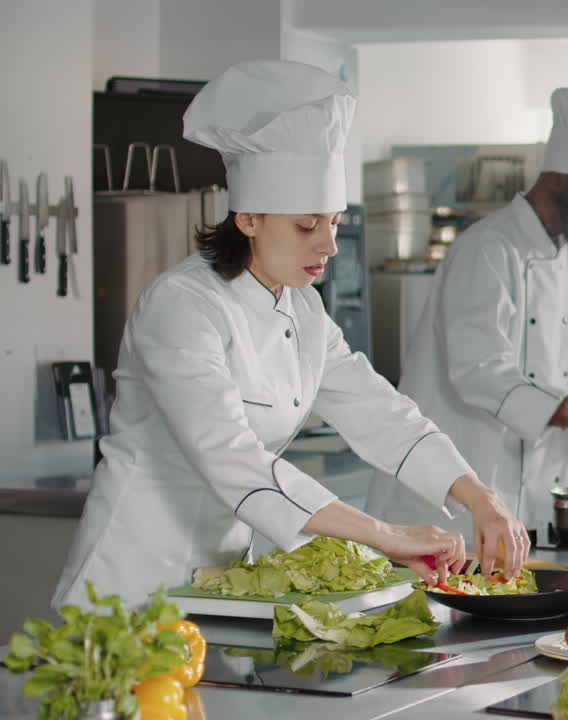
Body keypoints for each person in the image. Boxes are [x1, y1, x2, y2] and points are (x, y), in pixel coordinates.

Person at [53, 60, 526, 609]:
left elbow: (380, 412)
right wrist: (386, 536)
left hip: (218, 580)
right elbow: (233, 458)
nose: (328, 245)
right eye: (307, 225)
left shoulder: (302, 310)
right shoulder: (182, 306)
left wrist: (480, 497)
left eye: (331, 221)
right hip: (126, 578)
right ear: (249, 218)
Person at [365, 74, 568, 544]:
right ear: (558, 182)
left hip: (525, 509)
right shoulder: (488, 249)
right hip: (445, 512)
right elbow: (479, 372)